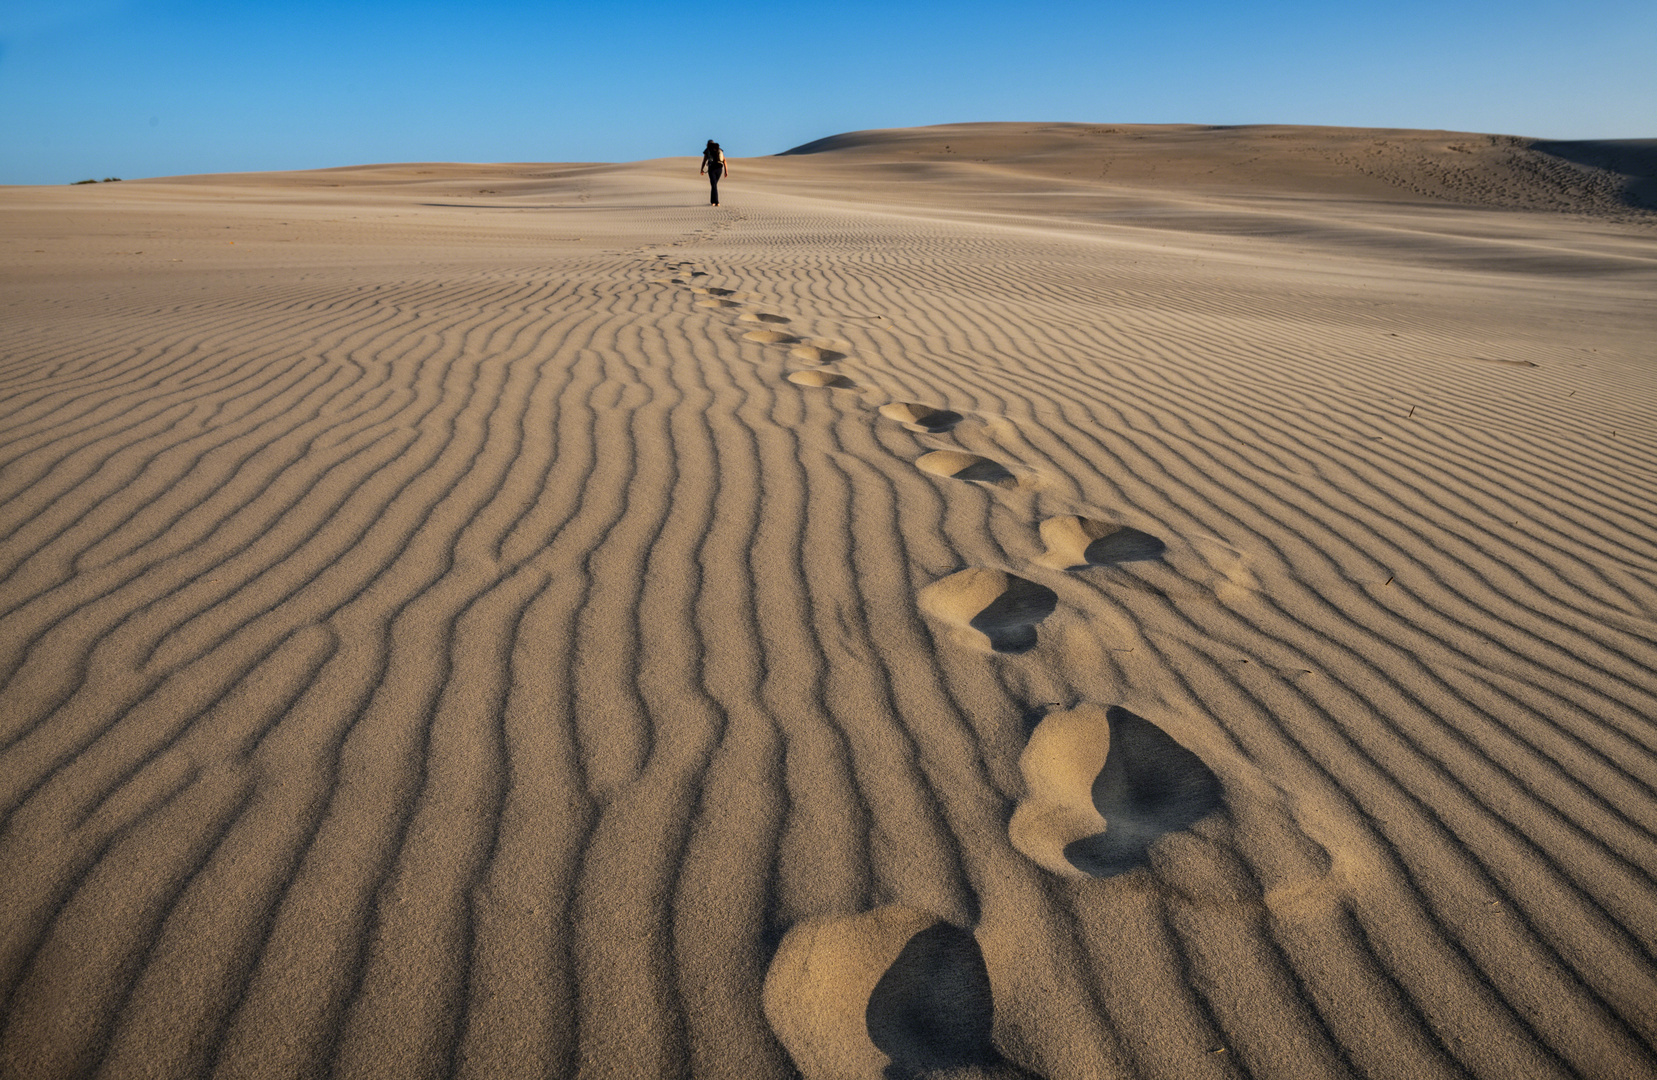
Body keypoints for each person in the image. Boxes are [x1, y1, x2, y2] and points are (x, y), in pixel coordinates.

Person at [700, 140, 728, 206]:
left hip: (712, 168)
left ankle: (716, 202)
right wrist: (726, 171)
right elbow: (724, 160)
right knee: (714, 185)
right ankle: (713, 201)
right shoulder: (719, 149)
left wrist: (702, 169)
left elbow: (704, 160)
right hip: (719, 169)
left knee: (714, 185)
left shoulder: (707, 150)